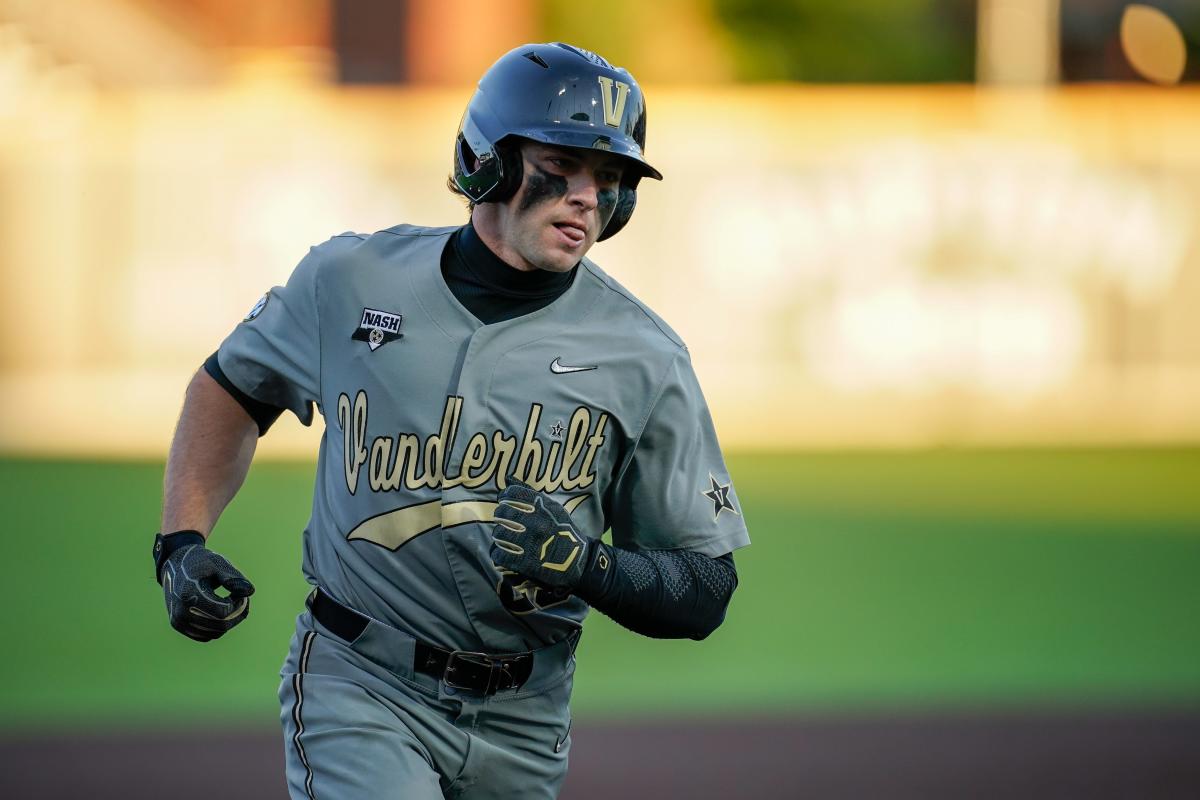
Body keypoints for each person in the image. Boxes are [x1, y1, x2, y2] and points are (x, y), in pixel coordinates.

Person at [153, 42, 750, 799]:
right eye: (563, 165)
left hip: (526, 719)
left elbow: (705, 586)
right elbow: (233, 387)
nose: (589, 198)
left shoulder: (645, 356)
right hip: (360, 681)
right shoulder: (351, 279)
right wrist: (180, 541)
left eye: (611, 179)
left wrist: (589, 566)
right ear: (489, 160)